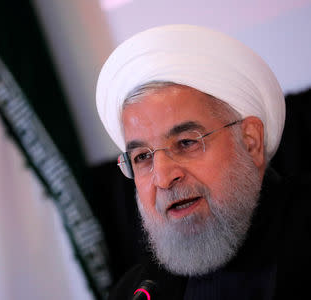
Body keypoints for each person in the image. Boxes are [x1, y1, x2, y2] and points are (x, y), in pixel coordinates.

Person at [96, 24, 311, 299]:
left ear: (250, 141)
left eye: (186, 142)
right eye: (142, 157)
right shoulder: (137, 293)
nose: (163, 178)